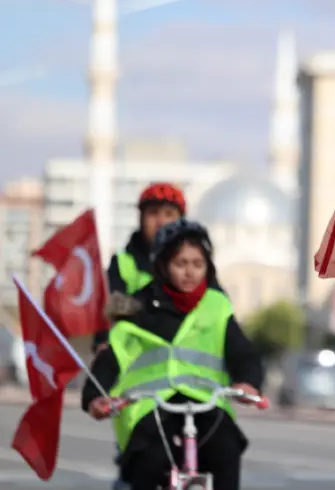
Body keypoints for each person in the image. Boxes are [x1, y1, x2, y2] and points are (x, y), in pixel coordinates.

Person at [82, 218, 264, 490]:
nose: (190, 272)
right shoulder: (137, 309)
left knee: (226, 448)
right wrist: (95, 397)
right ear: (162, 265)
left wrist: (248, 382)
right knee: (150, 458)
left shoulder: (217, 306)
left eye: (198, 264)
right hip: (152, 409)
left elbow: (243, 353)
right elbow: (111, 357)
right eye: (181, 264)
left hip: (205, 405)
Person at [92, 181, 187, 354]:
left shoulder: (196, 265)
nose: (161, 222)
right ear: (141, 219)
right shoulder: (122, 263)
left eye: (169, 214)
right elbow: (106, 316)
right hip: (136, 359)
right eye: (153, 213)